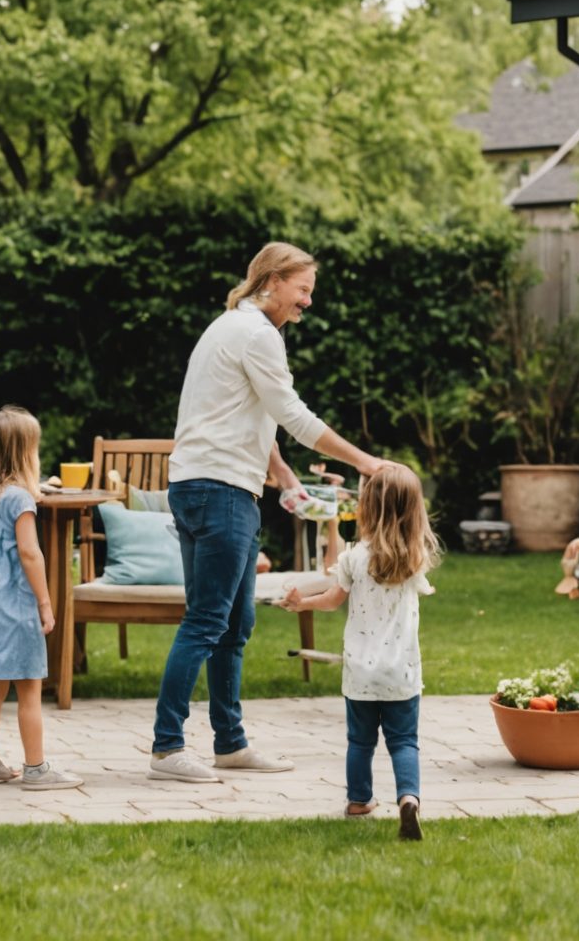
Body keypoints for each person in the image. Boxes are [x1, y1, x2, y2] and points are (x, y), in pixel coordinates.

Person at [148, 241, 400, 784]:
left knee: (235, 623)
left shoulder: (229, 328)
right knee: (209, 620)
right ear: (272, 280)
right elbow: (293, 415)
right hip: (220, 492)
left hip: (202, 485)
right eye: (302, 290)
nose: (306, 303)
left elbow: (243, 411)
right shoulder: (258, 334)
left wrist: (284, 475)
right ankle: (167, 748)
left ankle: (230, 742)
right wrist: (365, 460)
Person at [280, 465, 440, 841]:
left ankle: (358, 801)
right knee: (403, 741)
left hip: (360, 672)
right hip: (402, 672)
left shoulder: (354, 558)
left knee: (360, 742)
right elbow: (426, 590)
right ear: (413, 512)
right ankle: (408, 799)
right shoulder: (413, 558)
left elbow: (333, 600)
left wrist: (301, 603)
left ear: (366, 508)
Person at [0, 406, 82, 791]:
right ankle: (37, 769)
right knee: (29, 689)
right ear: (26, 453)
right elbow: (30, 554)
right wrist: (44, 601)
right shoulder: (20, 499)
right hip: (14, 607)